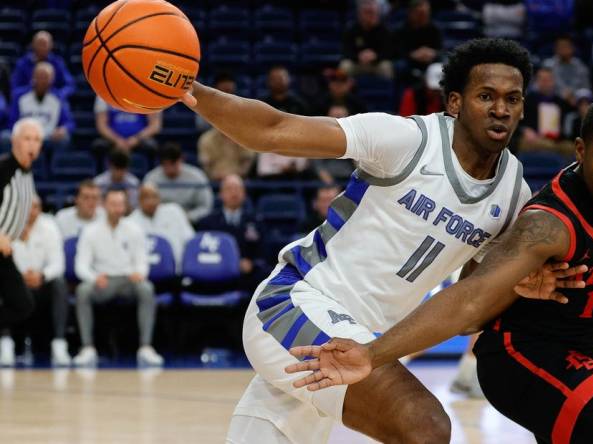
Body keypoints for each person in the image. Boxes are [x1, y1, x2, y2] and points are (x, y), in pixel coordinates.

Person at [284, 95, 593, 444]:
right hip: (525, 358)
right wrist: (374, 353)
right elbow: (471, 297)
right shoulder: (547, 225)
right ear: (580, 152)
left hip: (579, 352)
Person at [183, 38, 550, 443]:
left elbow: (473, 298)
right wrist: (190, 90)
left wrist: (519, 285)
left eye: (512, 99)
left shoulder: (514, 193)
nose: (501, 109)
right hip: (298, 303)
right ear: (455, 103)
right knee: (424, 425)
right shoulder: (406, 140)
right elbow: (275, 130)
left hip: (369, 341)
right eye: (486, 96)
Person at [72, 188, 163, 367]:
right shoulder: (90, 231)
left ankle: (146, 347)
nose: (117, 209)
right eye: (113, 204)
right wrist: (93, 278)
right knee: (83, 291)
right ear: (104, 205)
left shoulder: (135, 229)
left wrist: (140, 273)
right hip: (103, 281)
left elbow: (142, 261)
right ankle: (87, 348)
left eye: (121, 204)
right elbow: (81, 265)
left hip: (128, 280)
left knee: (146, 289)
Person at [6, 195, 70, 366]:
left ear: (40, 209)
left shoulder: (50, 228)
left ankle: (59, 344)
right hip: (15, 285)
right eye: (26, 207)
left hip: (42, 286)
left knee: (59, 284)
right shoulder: (6, 228)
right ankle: (5, 343)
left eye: (35, 207)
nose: (30, 211)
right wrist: (19, 278)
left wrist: (41, 276)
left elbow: (58, 264)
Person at [0, 118, 42, 364]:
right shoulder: (4, 168)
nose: (32, 144)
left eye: (37, 140)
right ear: (14, 141)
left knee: (23, 304)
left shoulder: (27, 173)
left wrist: (19, 228)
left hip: (6, 253)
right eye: (27, 138)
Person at [196, 175, 268, 294]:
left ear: (244, 194)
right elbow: (202, 252)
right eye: (229, 189)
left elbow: (263, 252)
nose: (234, 193)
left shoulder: (256, 222)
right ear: (221, 194)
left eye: (238, 189)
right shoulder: (207, 223)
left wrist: (252, 264)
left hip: (245, 276)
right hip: (215, 272)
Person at [7, 62, 73, 149]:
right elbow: (11, 121)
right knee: (5, 137)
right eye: (39, 77)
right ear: (33, 77)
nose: (42, 81)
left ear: (52, 79)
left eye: (46, 77)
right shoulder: (19, 96)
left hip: (49, 137)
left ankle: (55, 163)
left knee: (64, 139)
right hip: (24, 136)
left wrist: (63, 130)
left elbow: (70, 123)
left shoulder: (58, 97)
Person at [128, 183, 194, 271]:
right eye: (146, 197)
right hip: (143, 274)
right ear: (139, 200)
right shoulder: (130, 222)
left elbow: (190, 240)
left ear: (159, 198)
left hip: (176, 271)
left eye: (154, 197)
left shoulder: (174, 211)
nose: (151, 201)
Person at [143, 142, 213, 224]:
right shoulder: (151, 178)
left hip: (191, 222)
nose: (170, 169)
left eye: (173, 164)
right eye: (165, 164)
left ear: (181, 159)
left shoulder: (196, 176)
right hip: (158, 221)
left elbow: (205, 206)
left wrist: (187, 217)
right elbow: (143, 204)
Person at [340, 0, 395, 79]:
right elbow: (346, 51)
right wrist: (358, 56)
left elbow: (389, 52)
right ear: (360, 14)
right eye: (367, 12)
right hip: (357, 63)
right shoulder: (351, 30)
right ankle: (344, 90)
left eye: (373, 13)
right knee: (345, 66)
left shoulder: (385, 31)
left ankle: (386, 90)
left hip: (376, 64)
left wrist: (375, 56)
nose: (370, 16)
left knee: (386, 66)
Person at [11, 31, 74, 99]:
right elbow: (15, 87)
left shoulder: (57, 62)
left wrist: (58, 95)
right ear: (33, 45)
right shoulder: (22, 63)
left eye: (44, 44)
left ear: (51, 45)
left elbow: (69, 85)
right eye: (39, 44)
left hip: (53, 101)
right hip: (27, 102)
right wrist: (29, 91)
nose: (41, 47)